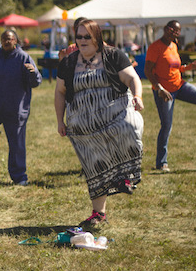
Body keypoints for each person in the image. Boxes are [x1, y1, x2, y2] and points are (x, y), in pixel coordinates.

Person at [55, 19, 144, 229]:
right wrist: (60, 120)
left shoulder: (113, 56)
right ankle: (99, 213)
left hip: (115, 113)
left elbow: (132, 78)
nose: (83, 40)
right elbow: (60, 92)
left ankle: (124, 175)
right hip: (83, 126)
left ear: (97, 36)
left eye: (87, 36)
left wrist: (138, 95)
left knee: (129, 127)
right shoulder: (68, 63)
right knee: (94, 166)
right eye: (79, 37)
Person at [145, 20, 196, 173]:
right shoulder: (155, 47)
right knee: (166, 125)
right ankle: (161, 162)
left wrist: (189, 67)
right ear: (166, 29)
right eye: (173, 30)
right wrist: (159, 88)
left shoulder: (174, 45)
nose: (175, 33)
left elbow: (175, 68)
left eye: (178, 31)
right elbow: (147, 71)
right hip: (163, 91)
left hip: (179, 85)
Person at [0, 29, 42, 185]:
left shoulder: (23, 58)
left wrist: (32, 74)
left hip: (15, 110)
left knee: (16, 145)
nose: (7, 41)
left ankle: (19, 176)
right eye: (4, 39)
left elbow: (35, 83)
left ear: (15, 41)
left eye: (10, 39)